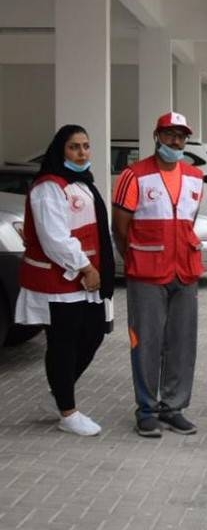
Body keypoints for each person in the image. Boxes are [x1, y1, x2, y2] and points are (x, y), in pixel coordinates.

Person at [15, 125, 115, 436]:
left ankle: (59, 394)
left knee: (94, 333)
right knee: (63, 344)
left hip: (83, 279)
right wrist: (85, 268)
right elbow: (54, 239)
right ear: (61, 150)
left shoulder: (82, 184)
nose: (82, 153)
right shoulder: (49, 187)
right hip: (58, 281)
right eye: (74, 147)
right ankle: (68, 412)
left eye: (86, 146)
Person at [113, 111, 205, 437]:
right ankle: (147, 409)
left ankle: (173, 407)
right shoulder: (134, 175)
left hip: (185, 271)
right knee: (147, 342)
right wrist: (136, 260)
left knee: (182, 343)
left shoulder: (195, 176)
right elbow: (120, 228)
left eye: (181, 135)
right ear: (157, 136)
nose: (175, 140)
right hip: (147, 275)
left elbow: (187, 223)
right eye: (169, 134)